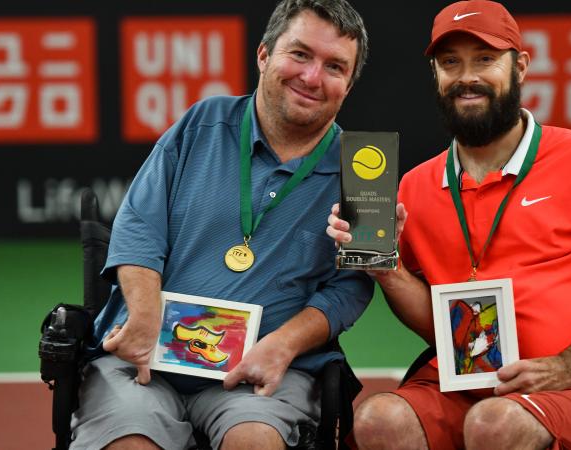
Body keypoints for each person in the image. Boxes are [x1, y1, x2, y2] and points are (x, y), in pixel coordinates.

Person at [327, 1, 571, 449]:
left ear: (521, 66)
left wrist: (568, 364)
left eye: (485, 60)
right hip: (469, 376)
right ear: (435, 74)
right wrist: (387, 269)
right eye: (451, 63)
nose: (466, 76)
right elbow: (439, 328)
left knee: (493, 426)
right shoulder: (414, 188)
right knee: (378, 420)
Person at [70, 1, 373, 449]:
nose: (312, 77)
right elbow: (139, 227)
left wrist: (285, 344)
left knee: (254, 441)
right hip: (147, 360)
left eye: (334, 66)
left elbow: (349, 288)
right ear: (264, 55)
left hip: (263, 371)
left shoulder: (362, 170)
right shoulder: (201, 124)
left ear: (348, 85)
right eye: (300, 54)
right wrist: (144, 312)